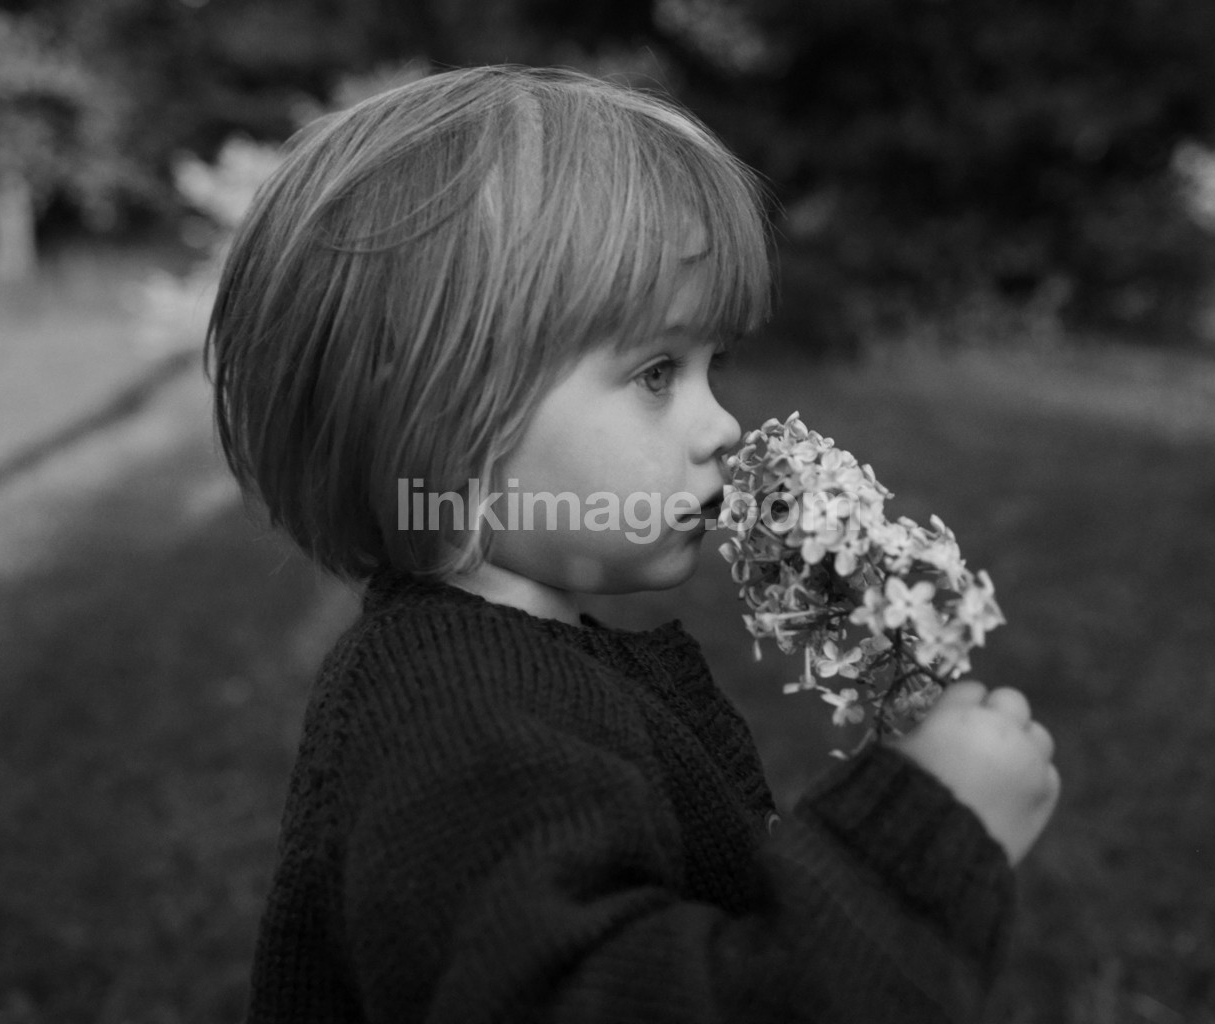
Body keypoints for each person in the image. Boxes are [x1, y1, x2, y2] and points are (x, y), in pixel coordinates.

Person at [205, 64, 1060, 1023]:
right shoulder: (461, 725)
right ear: (446, 414)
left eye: (711, 364)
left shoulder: (517, 669)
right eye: (657, 372)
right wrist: (909, 861)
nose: (721, 425)